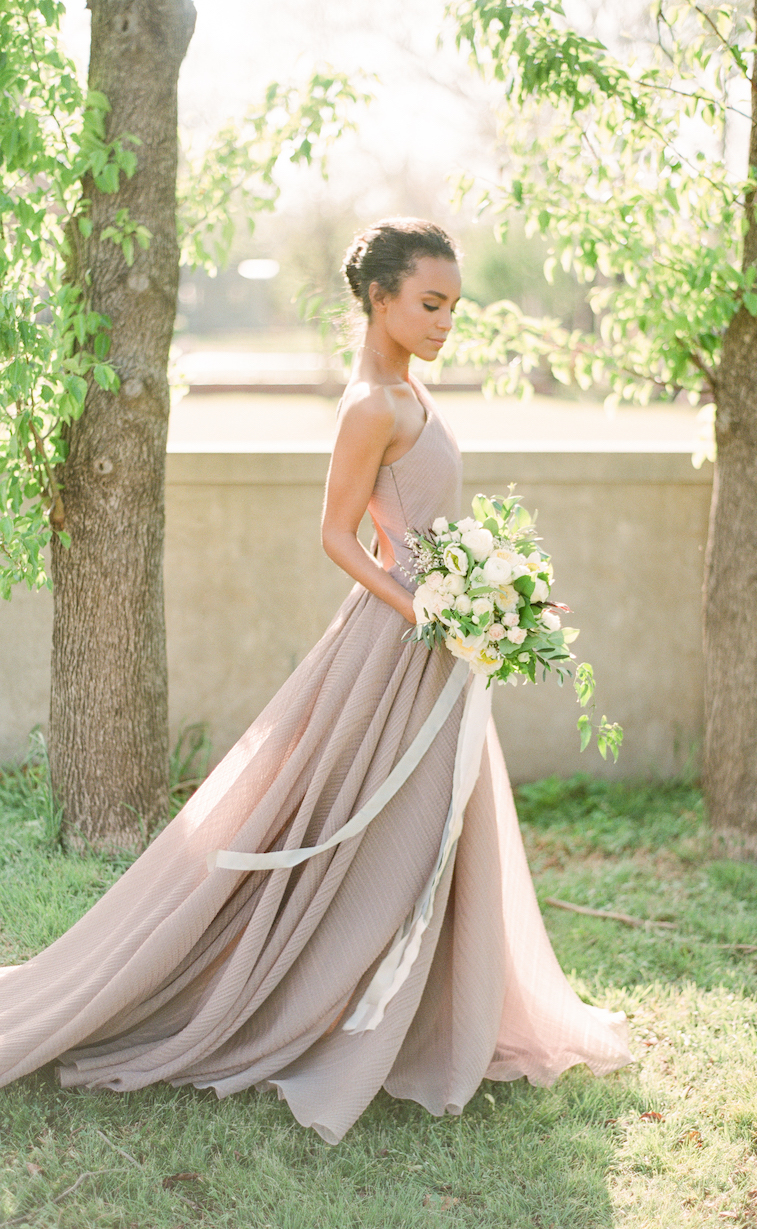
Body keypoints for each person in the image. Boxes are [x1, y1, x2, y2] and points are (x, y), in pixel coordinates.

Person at [0, 218, 631, 1144]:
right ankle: (325, 1003)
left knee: (430, 827)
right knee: (369, 823)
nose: (446, 320)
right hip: (399, 641)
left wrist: (498, 598)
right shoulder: (372, 402)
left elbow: (416, 528)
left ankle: (424, 1008)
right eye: (430, 302)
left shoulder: (409, 388)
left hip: (435, 638)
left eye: (453, 305)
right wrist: (427, 606)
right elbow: (338, 537)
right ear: (379, 297)